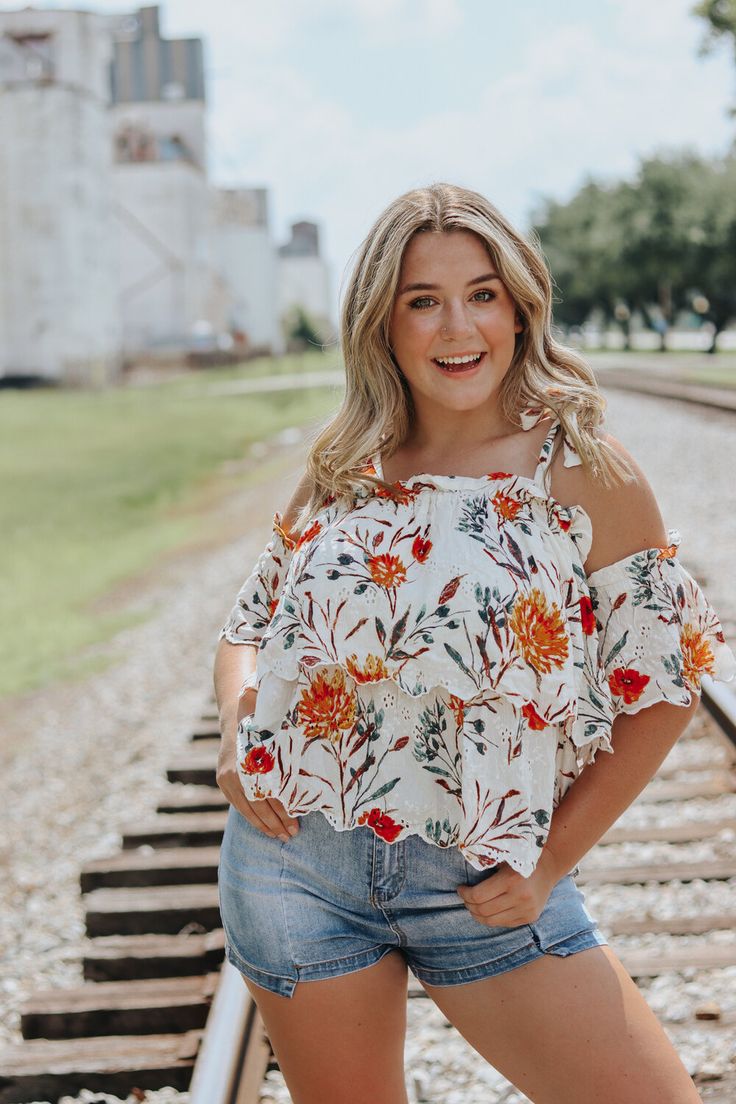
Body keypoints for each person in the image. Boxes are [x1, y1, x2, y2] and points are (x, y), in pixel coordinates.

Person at [212, 182, 735, 1104]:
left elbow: (668, 684)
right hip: (296, 867)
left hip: (485, 878)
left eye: (482, 293)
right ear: (383, 321)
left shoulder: (582, 466)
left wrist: (551, 862)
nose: (458, 326)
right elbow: (246, 630)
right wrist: (234, 728)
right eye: (423, 300)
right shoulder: (345, 465)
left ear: (519, 307)